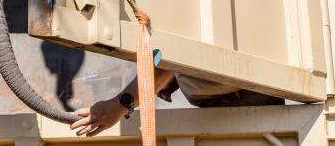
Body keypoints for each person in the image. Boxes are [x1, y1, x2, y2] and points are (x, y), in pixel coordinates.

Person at [70, 68, 283, 136]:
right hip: (241, 105)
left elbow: (162, 58)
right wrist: (177, 77)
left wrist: (119, 105)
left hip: (251, 103)